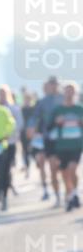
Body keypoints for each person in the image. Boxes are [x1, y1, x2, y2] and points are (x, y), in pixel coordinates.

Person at [47, 82, 83, 211]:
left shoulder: (80, 108)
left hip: (76, 144)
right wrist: (57, 122)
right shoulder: (58, 110)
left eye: (72, 91)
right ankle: (71, 195)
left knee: (72, 169)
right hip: (61, 145)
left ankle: (74, 193)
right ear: (64, 93)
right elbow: (48, 126)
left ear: (75, 93)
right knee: (65, 173)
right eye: (67, 91)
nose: (69, 93)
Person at [33, 76, 64, 205]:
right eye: (51, 84)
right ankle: (57, 196)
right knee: (52, 167)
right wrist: (31, 129)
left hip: (65, 138)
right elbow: (35, 118)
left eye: (55, 84)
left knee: (66, 169)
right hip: (47, 138)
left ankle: (70, 192)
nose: (53, 86)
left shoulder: (65, 98)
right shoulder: (42, 102)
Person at [0, 85, 22, 200]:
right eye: (0, 94)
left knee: (7, 167)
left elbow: (19, 124)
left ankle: (6, 190)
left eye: (3, 93)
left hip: (10, 142)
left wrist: (8, 134)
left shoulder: (14, 108)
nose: (1, 96)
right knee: (0, 169)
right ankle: (2, 190)